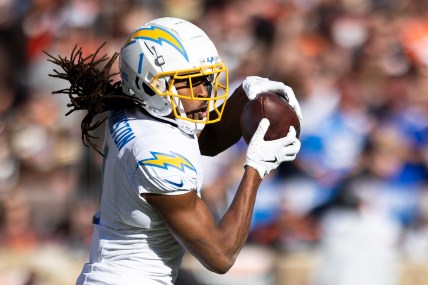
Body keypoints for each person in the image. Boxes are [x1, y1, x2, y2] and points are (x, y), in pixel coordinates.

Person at [47, 17, 302, 285]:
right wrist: (256, 169)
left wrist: (245, 94)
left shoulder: (140, 109)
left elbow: (204, 142)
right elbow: (221, 255)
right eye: (190, 81)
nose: (204, 90)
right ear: (149, 84)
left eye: (206, 78)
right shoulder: (154, 151)